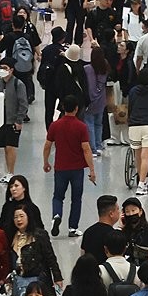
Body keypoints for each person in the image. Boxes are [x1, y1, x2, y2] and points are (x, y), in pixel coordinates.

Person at [43, 96, 95, 238]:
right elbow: (86, 149)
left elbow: (48, 145)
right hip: (77, 169)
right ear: (77, 109)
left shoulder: (55, 125)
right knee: (76, 198)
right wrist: (92, 169)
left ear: (63, 108)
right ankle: (73, 228)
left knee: (58, 196)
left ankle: (56, 215)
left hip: (60, 168)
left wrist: (45, 162)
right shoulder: (81, 127)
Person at [0, 56, 30, 184]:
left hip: (13, 121)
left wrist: (19, 120)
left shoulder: (18, 84)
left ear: (11, 70)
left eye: (5, 68)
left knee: (11, 147)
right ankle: (7, 172)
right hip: (1, 120)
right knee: (5, 147)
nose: (2, 70)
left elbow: (23, 103)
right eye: (1, 68)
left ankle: (11, 172)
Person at [79, 194, 120, 264]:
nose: (119, 212)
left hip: (91, 272)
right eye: (118, 209)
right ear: (111, 214)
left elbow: (83, 255)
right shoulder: (113, 236)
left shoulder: (88, 232)